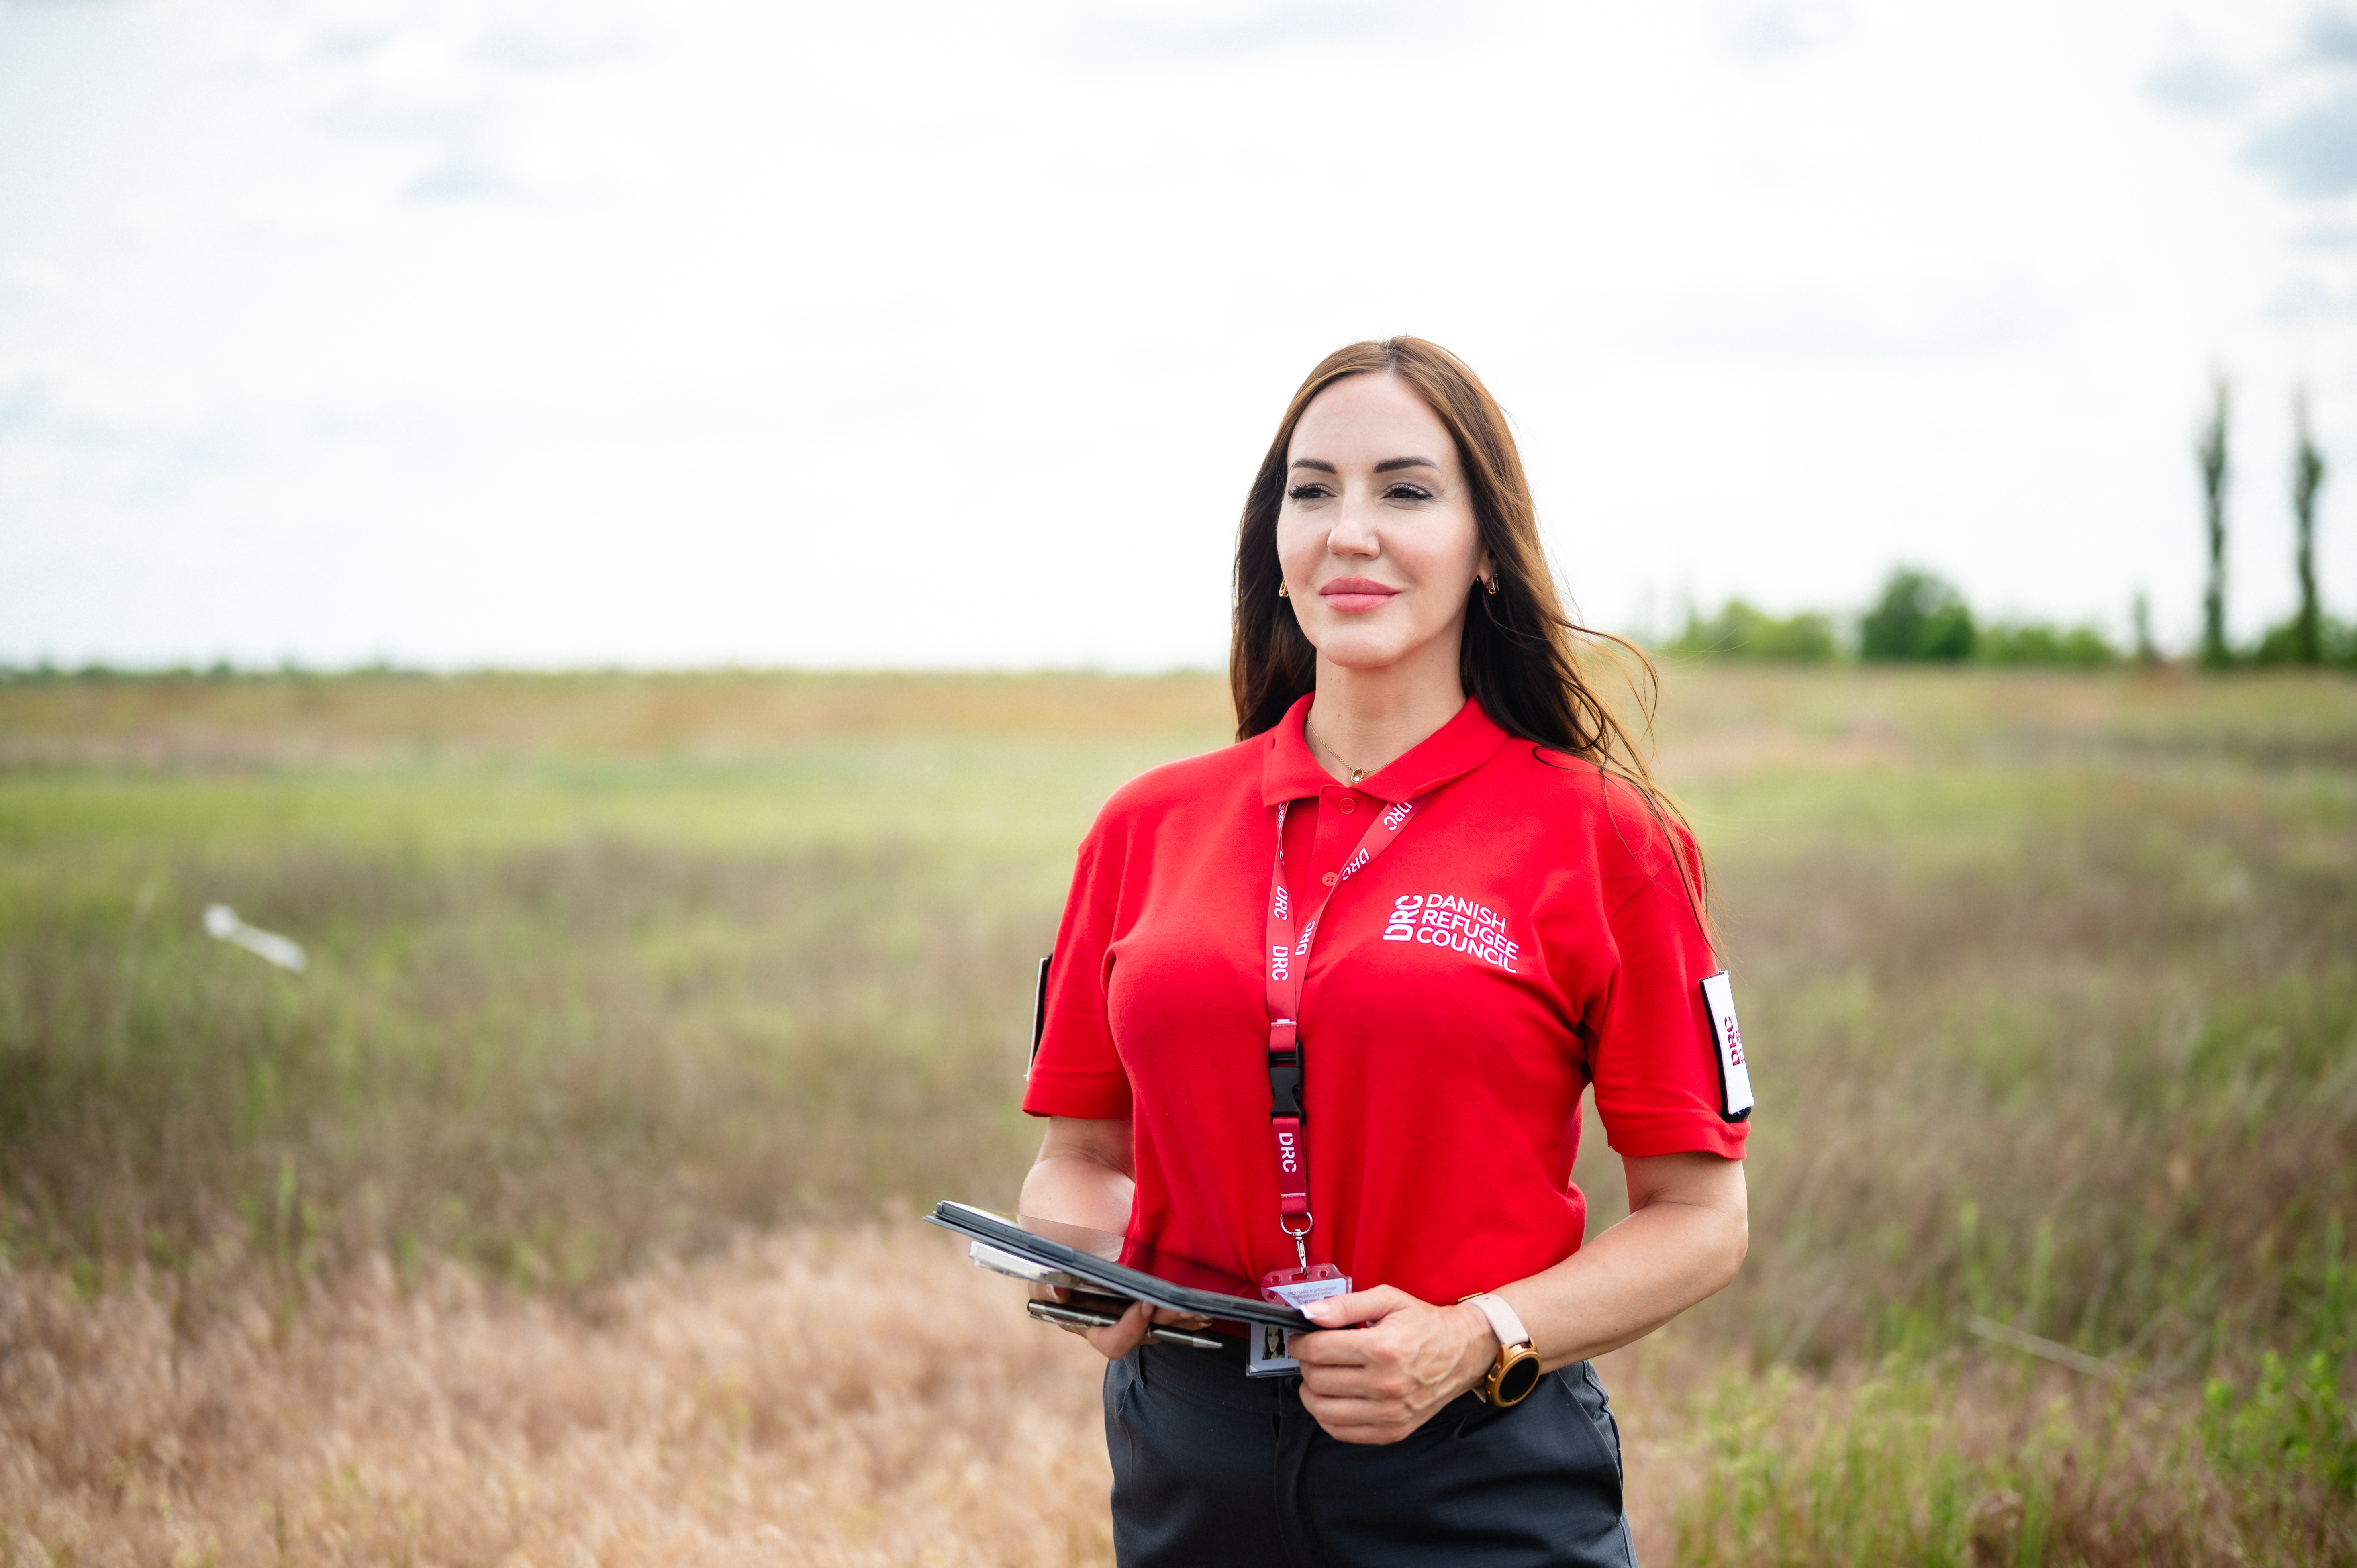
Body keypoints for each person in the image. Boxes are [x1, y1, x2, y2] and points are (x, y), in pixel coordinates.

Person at [1017, 337, 1750, 1567]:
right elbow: (1077, 1163)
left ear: (1487, 552)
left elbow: (1702, 1219)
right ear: (1275, 545)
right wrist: (1089, 1255)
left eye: (1404, 492)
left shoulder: (1605, 839)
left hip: (1476, 1469)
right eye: (1313, 492)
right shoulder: (1145, 827)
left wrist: (1477, 1335)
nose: (1349, 530)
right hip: (1191, 1470)